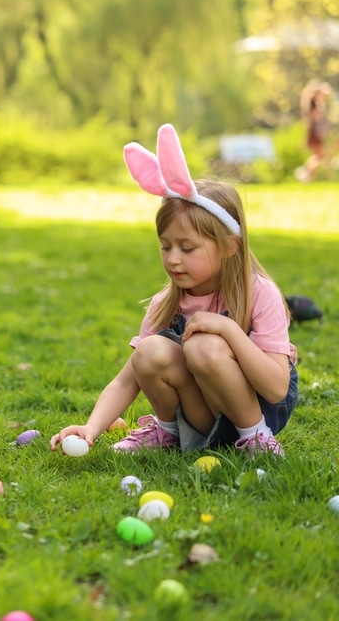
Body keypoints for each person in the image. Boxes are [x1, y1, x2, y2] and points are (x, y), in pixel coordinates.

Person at [49, 124, 298, 458]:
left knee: (204, 345)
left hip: (259, 411)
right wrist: (91, 427)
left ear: (228, 246)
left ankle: (257, 441)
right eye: (166, 247)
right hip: (202, 415)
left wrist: (227, 328)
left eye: (187, 248)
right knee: (149, 351)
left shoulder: (259, 293)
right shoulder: (166, 303)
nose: (173, 259)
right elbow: (128, 379)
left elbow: (277, 388)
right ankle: (168, 433)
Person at [295, 80, 332, 182]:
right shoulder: (313, 105)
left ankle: (307, 176)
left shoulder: (317, 104)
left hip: (316, 133)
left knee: (319, 156)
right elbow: (315, 119)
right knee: (319, 156)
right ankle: (305, 174)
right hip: (315, 133)